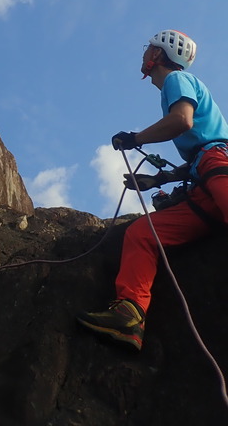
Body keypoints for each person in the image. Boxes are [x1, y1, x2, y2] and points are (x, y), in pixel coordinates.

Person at [77, 29, 228, 351]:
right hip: (205, 175)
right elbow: (197, 156)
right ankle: (129, 315)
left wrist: (135, 139)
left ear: (158, 55)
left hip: (218, 165)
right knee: (143, 232)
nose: (145, 52)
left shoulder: (177, 79)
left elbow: (182, 121)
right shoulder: (176, 87)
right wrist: (158, 180)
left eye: (149, 48)